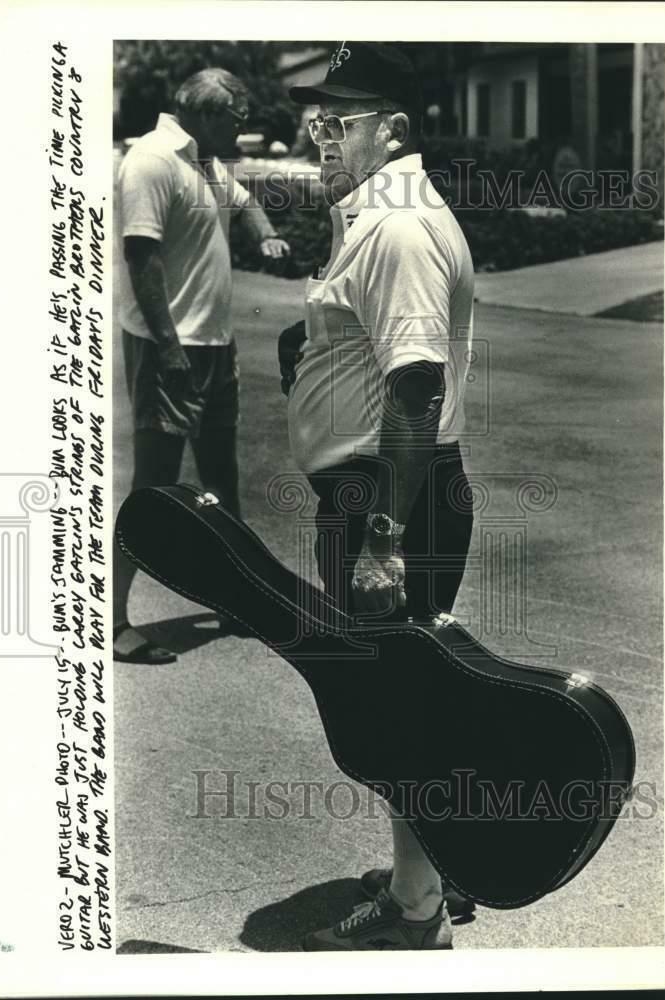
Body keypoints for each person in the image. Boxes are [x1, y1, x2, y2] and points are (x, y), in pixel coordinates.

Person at [281, 42, 476, 950]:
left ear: (391, 131)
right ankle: (433, 872)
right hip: (391, 491)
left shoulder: (395, 226)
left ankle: (413, 912)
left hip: (385, 501)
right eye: (317, 120)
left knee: (392, 707)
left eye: (340, 123)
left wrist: (383, 538)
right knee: (416, 693)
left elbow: (415, 388)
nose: (320, 136)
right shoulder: (380, 216)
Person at [114, 68, 290, 663]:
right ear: (209, 115)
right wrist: (167, 351)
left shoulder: (208, 164)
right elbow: (142, 259)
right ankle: (109, 621)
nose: (242, 138)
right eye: (237, 125)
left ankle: (236, 600)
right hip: (170, 346)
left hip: (216, 344)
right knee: (154, 491)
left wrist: (265, 233)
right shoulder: (152, 161)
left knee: (223, 483)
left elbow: (244, 205)